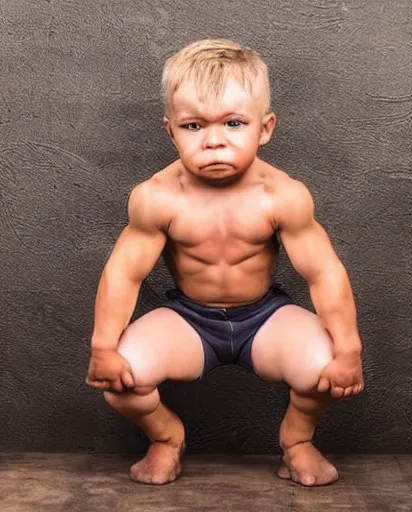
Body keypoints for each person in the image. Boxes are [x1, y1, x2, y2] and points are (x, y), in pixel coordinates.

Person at [86, 39, 364, 487]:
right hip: (190, 320)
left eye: (234, 123)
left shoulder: (284, 196)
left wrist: (349, 349)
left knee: (325, 366)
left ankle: (296, 443)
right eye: (194, 125)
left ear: (265, 128)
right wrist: (102, 346)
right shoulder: (156, 198)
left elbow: (324, 272)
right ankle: (166, 438)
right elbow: (124, 272)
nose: (214, 140)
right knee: (121, 377)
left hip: (264, 317)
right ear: (170, 131)